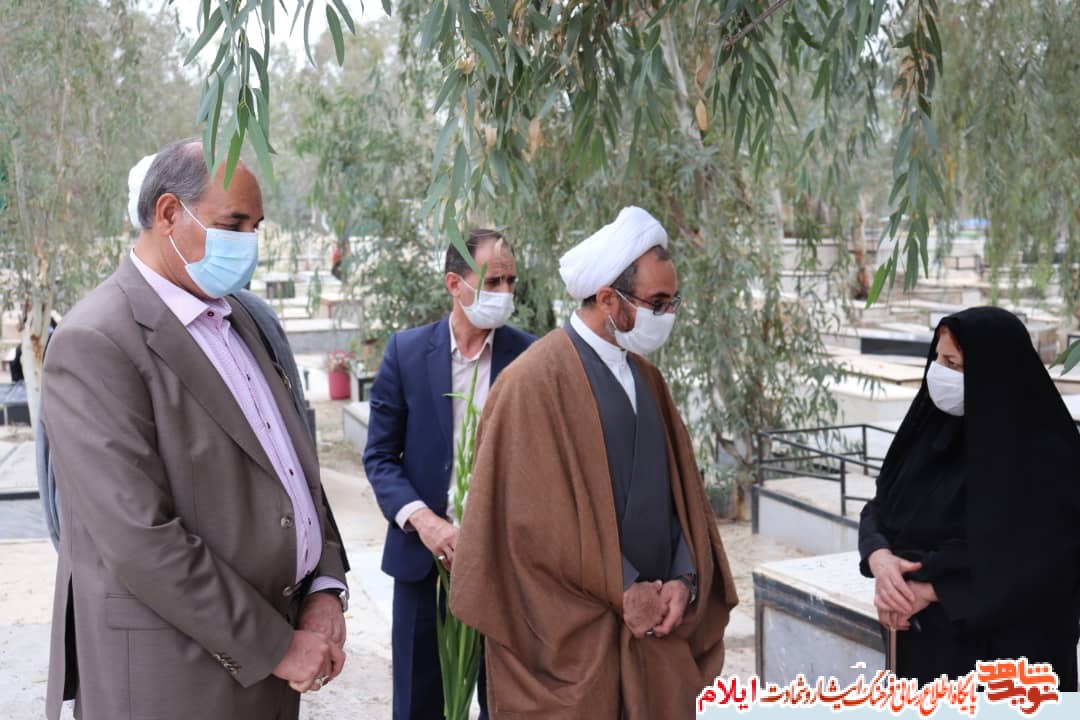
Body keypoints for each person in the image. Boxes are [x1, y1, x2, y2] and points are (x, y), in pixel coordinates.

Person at [41, 140, 349, 720]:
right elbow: (141, 538)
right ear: (167, 213)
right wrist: (276, 646)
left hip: (275, 664)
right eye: (233, 224)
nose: (249, 243)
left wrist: (325, 586)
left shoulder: (240, 318)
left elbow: (292, 466)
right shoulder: (96, 340)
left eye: (256, 227)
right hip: (176, 679)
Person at [449, 206, 738, 719]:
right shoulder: (530, 383)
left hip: (658, 634)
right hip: (573, 647)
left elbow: (680, 499)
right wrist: (623, 587)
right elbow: (524, 529)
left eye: (673, 302)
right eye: (657, 303)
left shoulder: (649, 380)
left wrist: (683, 580)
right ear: (608, 299)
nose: (667, 315)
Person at [859, 306, 1080, 689]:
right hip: (921, 656)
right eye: (937, 359)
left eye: (953, 364)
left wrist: (933, 590)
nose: (938, 373)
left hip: (1003, 668)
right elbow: (882, 505)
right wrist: (880, 558)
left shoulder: (1045, 454)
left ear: (994, 373)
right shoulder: (929, 431)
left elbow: (1042, 561)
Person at [363, 229, 535, 720]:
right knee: (418, 705)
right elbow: (380, 457)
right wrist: (427, 524)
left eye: (511, 281)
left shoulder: (530, 358)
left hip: (506, 570)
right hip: (423, 564)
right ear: (454, 284)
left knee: (506, 704)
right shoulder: (406, 353)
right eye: (493, 281)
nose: (505, 293)